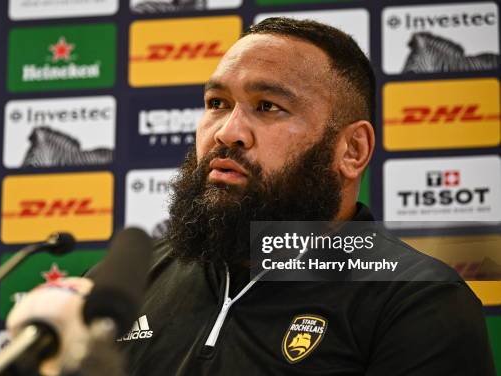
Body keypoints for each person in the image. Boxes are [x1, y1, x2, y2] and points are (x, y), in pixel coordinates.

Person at [90, 17, 496, 375]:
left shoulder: (417, 302)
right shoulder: (126, 285)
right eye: (217, 103)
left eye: (267, 106)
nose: (227, 132)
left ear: (352, 150)